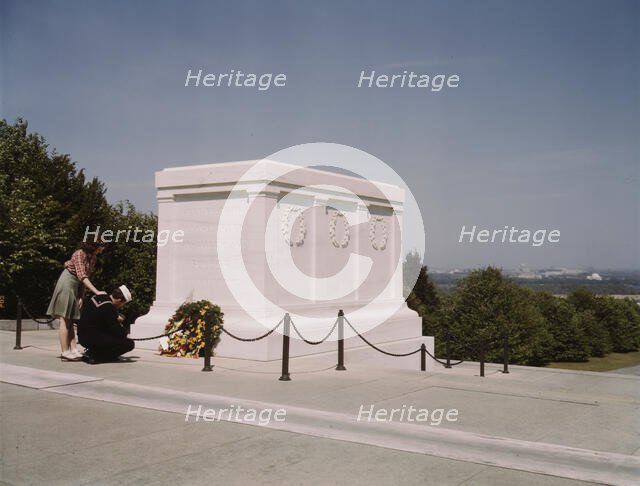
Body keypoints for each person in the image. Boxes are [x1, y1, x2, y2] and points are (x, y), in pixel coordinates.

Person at [47, 241, 106, 361]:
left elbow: (85, 277)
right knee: (65, 319)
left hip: (76, 285)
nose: (103, 248)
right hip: (67, 282)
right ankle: (65, 351)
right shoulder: (79, 254)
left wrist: (81, 296)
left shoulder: (92, 257)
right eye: (102, 245)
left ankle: (73, 349)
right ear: (94, 244)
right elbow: (81, 275)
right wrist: (97, 291)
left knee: (71, 319)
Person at [77, 285, 135, 363]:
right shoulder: (109, 307)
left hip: (82, 336)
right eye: (123, 303)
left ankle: (94, 352)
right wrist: (120, 323)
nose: (121, 306)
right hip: (91, 339)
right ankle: (97, 357)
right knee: (129, 344)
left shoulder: (98, 297)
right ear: (119, 300)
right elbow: (118, 332)